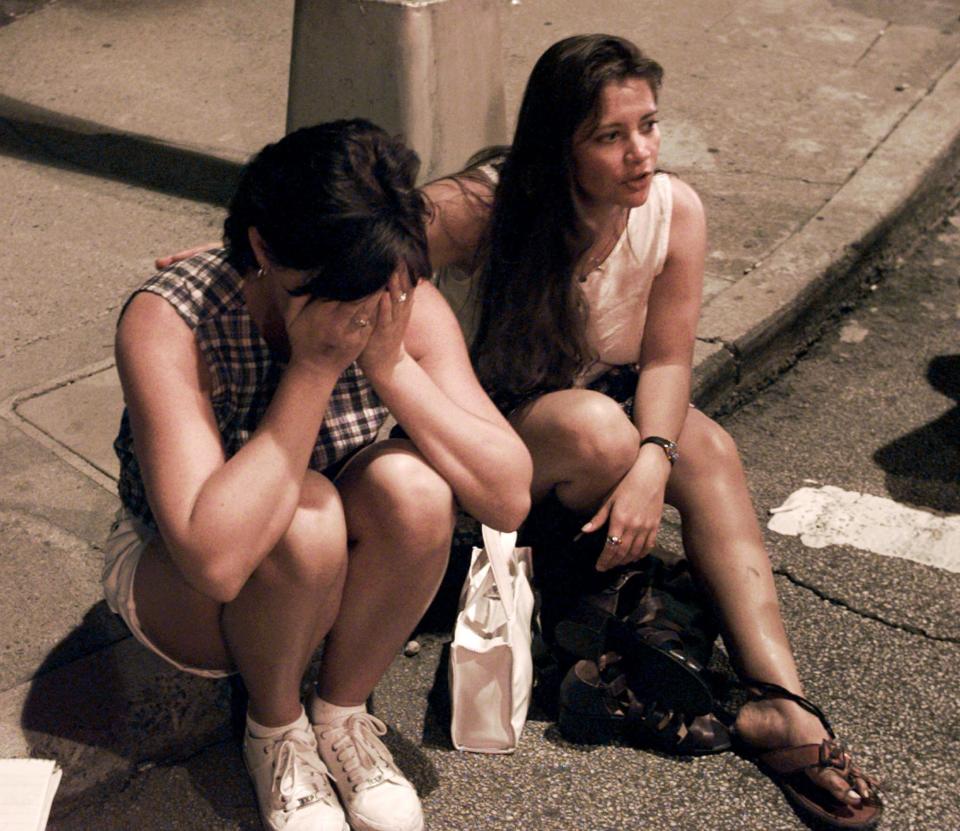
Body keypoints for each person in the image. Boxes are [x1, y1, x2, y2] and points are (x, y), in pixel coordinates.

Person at [154, 36, 882, 831]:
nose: (641, 154)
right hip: (506, 420)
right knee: (600, 428)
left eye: (650, 126)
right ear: (557, 145)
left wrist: (653, 461)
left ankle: (783, 700)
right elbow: (360, 237)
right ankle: (304, 720)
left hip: (573, 424)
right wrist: (250, 255)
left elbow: (669, 361)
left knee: (704, 447)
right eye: (611, 136)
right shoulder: (490, 204)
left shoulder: (674, 211)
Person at [106, 119, 531, 831]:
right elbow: (213, 559)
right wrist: (312, 368)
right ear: (265, 250)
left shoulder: (391, 287)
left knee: (418, 489)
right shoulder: (172, 318)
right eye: (330, 291)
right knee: (306, 514)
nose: (355, 309)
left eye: (373, 285)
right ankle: (274, 732)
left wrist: (393, 369)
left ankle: (341, 714)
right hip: (185, 583)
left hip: (326, 586)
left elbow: (507, 492)